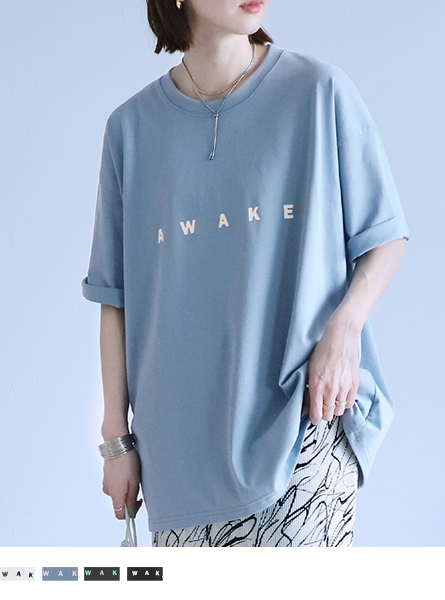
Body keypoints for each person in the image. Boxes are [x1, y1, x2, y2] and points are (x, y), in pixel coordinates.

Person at [82, 0, 411, 547]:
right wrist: (116, 439)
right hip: (178, 459)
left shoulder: (318, 92)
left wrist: (345, 329)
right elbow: (114, 297)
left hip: (304, 425)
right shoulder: (131, 130)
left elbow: (385, 237)